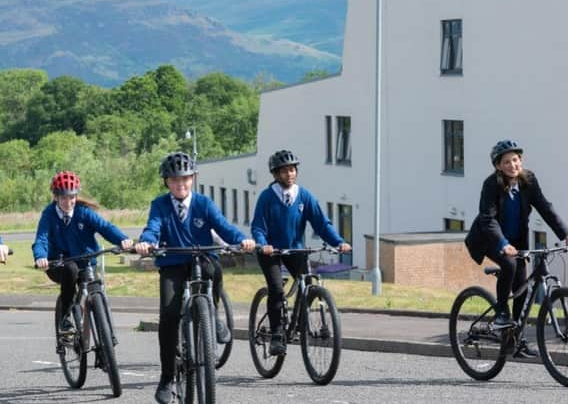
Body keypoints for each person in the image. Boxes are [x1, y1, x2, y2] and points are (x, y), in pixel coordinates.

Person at [134, 152, 255, 404]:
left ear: (193, 179)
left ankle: (213, 315)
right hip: (172, 261)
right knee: (168, 314)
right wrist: (146, 242)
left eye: (186, 179)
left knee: (215, 271)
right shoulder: (160, 205)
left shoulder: (204, 203)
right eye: (175, 180)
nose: (181, 184)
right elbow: (152, 227)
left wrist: (241, 240)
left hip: (201, 258)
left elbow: (223, 226)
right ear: (166, 182)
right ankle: (167, 377)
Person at [465, 140, 568, 358]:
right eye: (506, 162)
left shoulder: (529, 181)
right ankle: (501, 313)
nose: (512, 165)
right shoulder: (491, 185)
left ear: (521, 161)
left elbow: (546, 208)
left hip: (517, 241)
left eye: (515, 160)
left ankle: (515, 341)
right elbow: (487, 219)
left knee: (523, 286)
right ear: (498, 166)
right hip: (489, 238)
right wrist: (503, 244)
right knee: (509, 264)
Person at [251, 149, 351, 356]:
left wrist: (339, 242)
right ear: (276, 175)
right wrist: (263, 244)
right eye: (285, 171)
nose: (290, 174)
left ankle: (300, 323)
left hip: (295, 250)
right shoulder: (267, 197)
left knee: (308, 283)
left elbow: (321, 224)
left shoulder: (304, 196)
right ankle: (277, 334)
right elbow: (258, 227)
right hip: (271, 252)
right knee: (277, 289)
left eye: (293, 170)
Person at [33, 171, 133, 333]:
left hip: (85, 261)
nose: (68, 202)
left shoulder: (83, 212)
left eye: (71, 197)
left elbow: (105, 227)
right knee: (71, 269)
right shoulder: (49, 214)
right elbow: (41, 239)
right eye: (63, 197)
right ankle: (65, 317)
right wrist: (41, 257)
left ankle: (105, 341)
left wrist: (122, 239)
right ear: (56, 197)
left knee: (94, 286)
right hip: (58, 264)